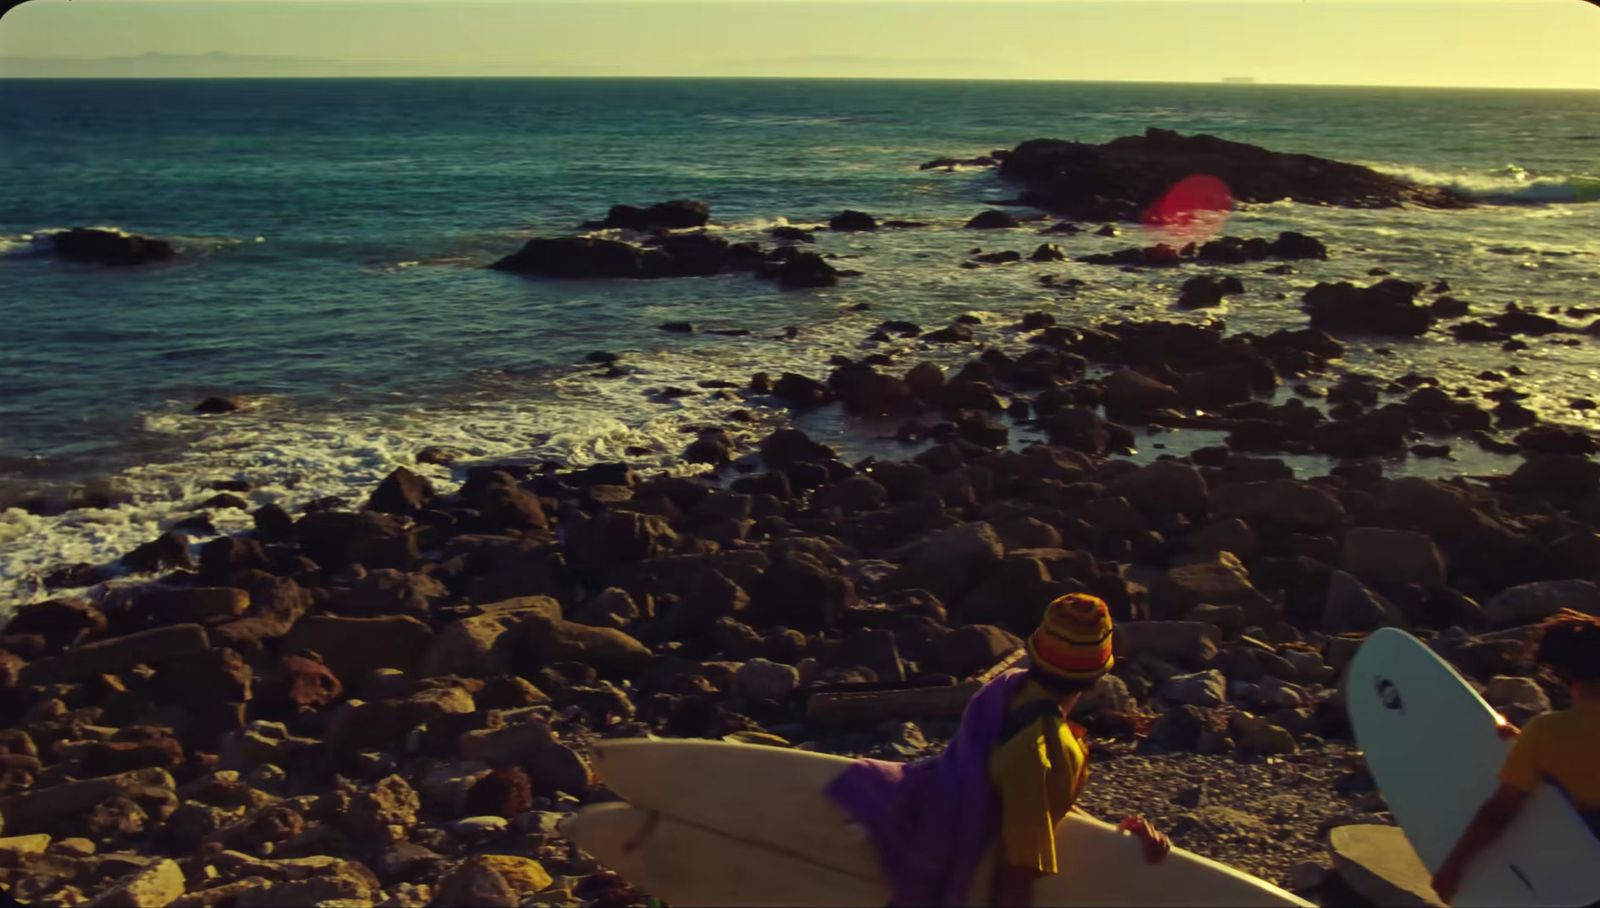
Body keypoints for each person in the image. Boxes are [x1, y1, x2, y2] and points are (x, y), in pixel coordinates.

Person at [827, 593, 1170, 908]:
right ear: (1098, 674)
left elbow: (1028, 800)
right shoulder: (1042, 748)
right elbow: (1016, 874)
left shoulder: (1004, 695)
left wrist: (1117, 837)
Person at [1431, 611, 1600, 904]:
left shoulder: (1548, 732)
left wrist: (1453, 866)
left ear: (1562, 673)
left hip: (1579, 884)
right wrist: (1524, 743)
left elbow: (1499, 813)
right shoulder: (1545, 734)